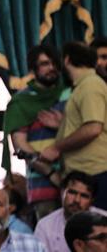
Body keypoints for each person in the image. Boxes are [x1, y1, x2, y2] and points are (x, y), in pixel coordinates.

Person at [4, 45, 70, 220]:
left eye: (54, 63)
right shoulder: (22, 102)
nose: (51, 68)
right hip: (43, 186)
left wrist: (62, 125)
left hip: (76, 180)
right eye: (45, 63)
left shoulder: (69, 94)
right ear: (33, 69)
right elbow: (21, 147)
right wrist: (50, 172)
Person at [41, 41, 107, 210]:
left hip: (96, 173)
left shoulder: (90, 85)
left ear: (67, 60)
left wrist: (56, 147)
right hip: (88, 173)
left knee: (96, 231)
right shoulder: (84, 86)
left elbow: (93, 127)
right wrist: (62, 125)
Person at [35, 171, 107, 252]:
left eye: (84, 196)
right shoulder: (45, 226)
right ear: (62, 192)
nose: (77, 200)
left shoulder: (104, 220)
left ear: (92, 201)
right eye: (72, 192)